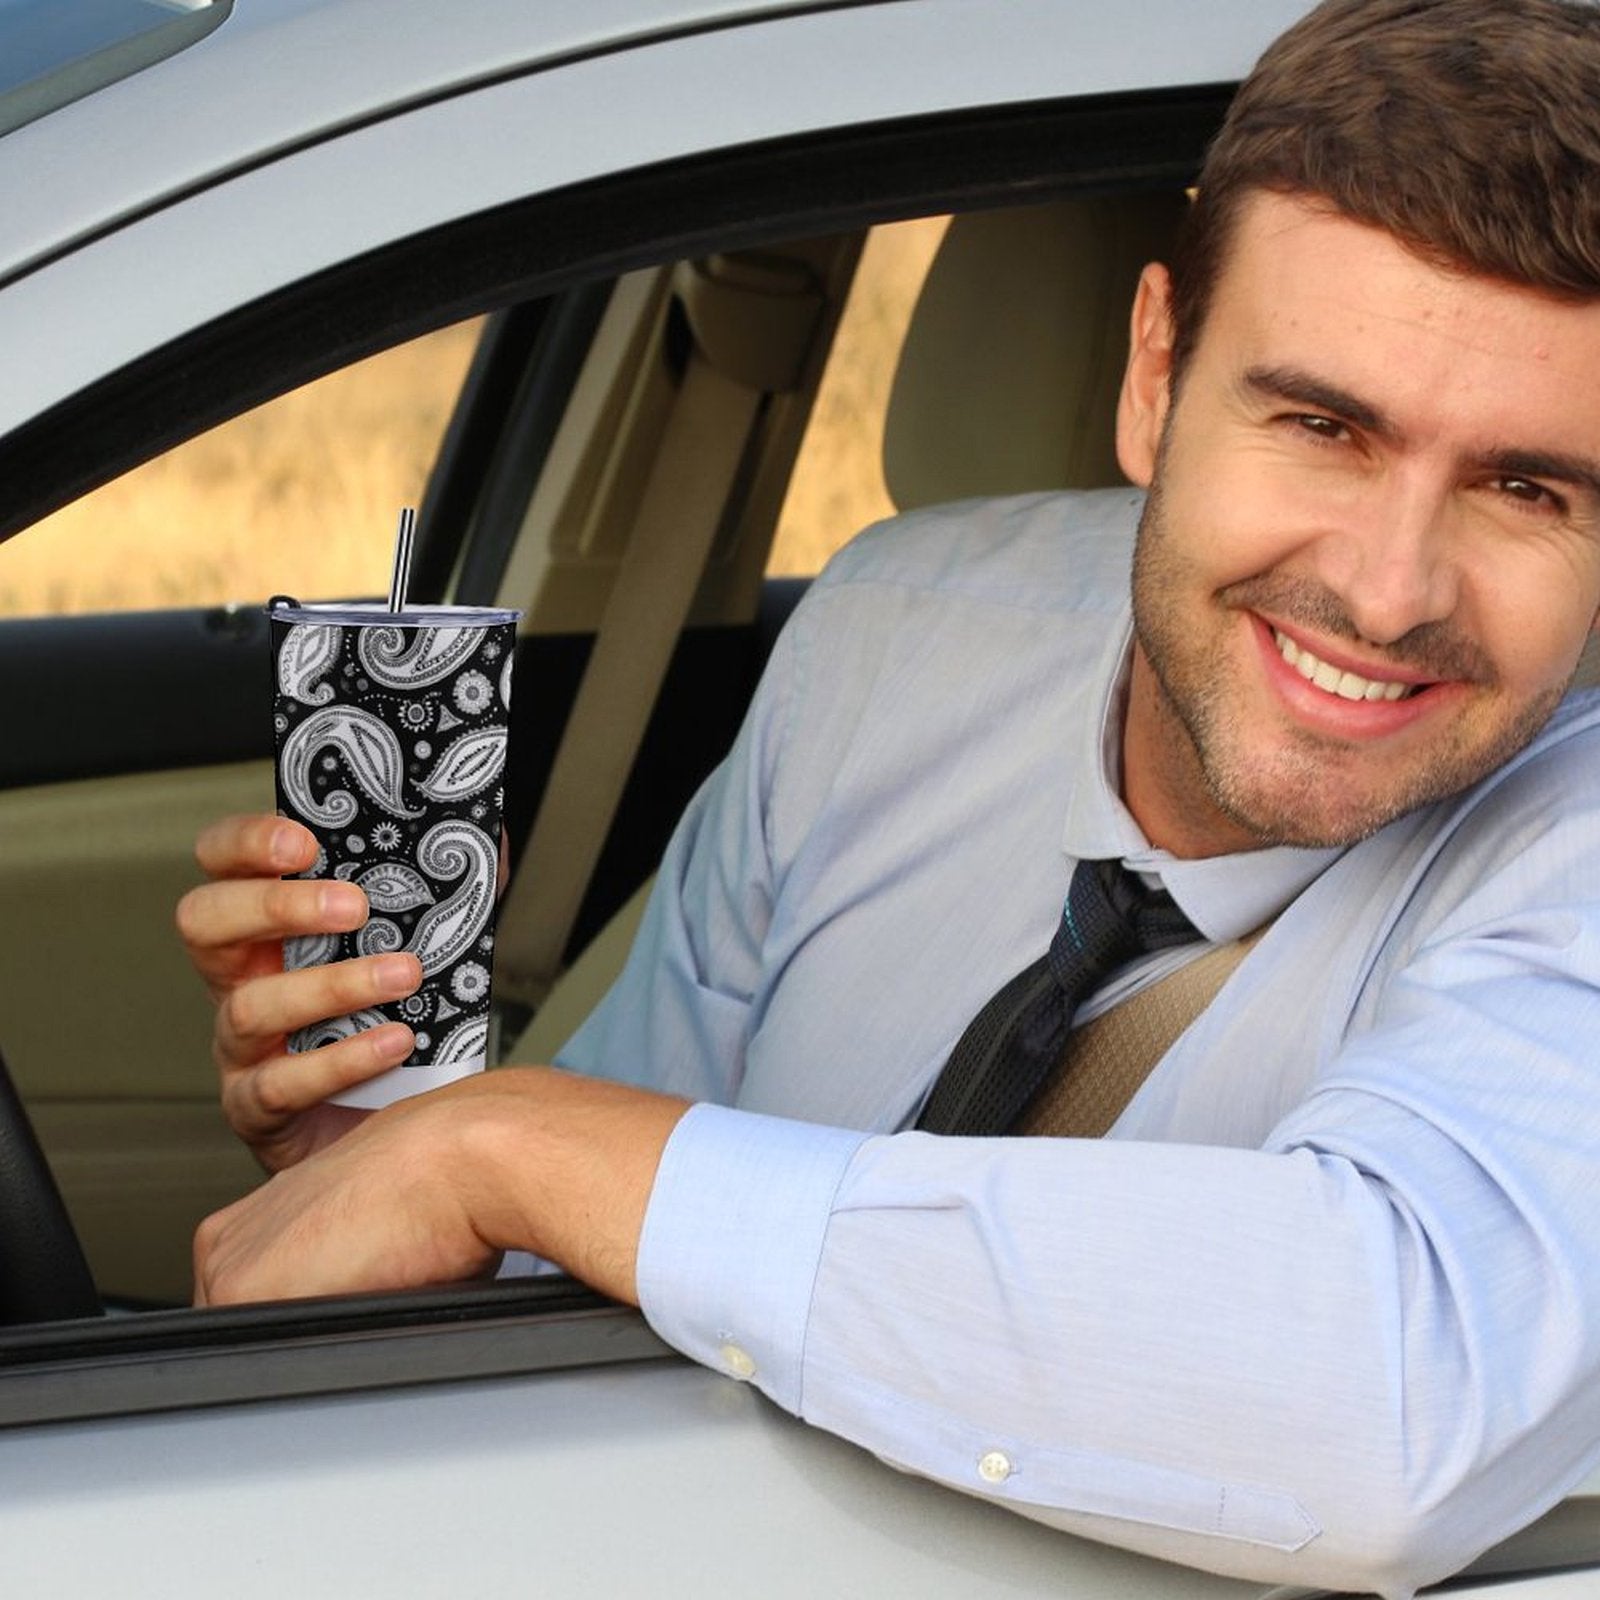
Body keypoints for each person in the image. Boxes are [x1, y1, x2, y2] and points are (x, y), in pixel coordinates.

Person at [178, 1, 1600, 1593]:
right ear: (1153, 378)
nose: (1391, 592)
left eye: (1526, 488)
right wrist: (394, 1162)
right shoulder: (898, 636)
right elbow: (598, 1224)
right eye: (1322, 427)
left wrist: (507, 1145)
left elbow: (1387, 1401)